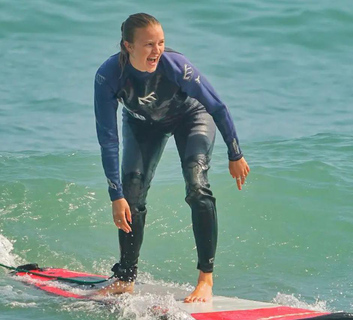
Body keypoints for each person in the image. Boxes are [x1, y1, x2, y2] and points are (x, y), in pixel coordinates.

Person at [94, 13, 250, 303]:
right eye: (149, 44)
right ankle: (125, 278)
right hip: (142, 123)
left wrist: (235, 153)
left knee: (197, 184)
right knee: (132, 190)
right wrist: (115, 195)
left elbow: (216, 106)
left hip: (191, 117)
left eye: (161, 43)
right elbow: (108, 138)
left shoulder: (177, 67)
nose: (157, 51)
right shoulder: (108, 76)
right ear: (128, 45)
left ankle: (206, 279)